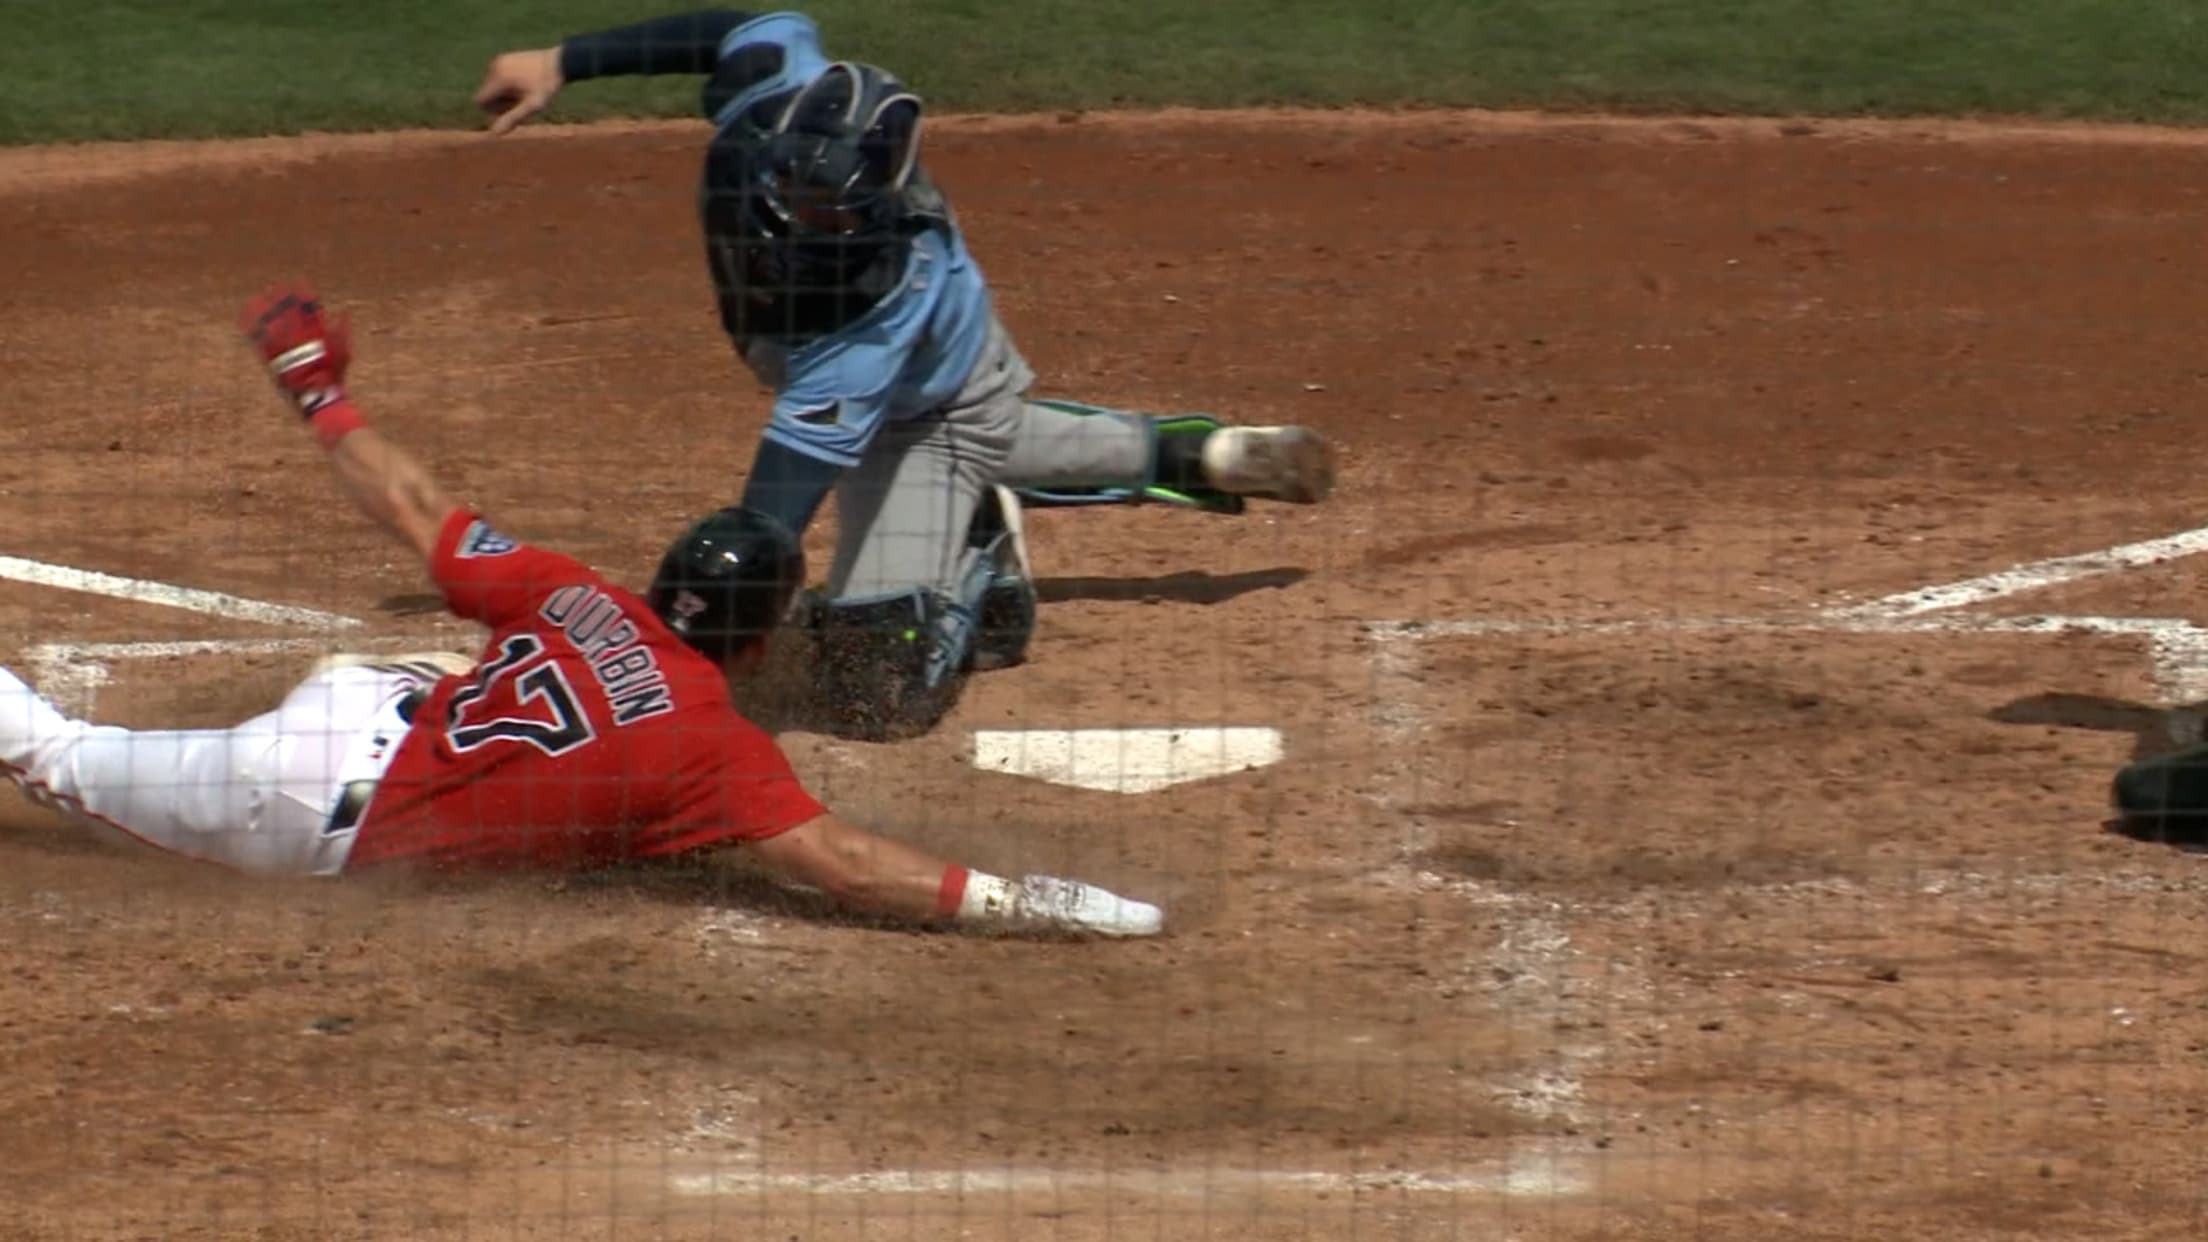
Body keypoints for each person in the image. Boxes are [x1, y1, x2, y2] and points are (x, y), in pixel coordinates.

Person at [0, 283, 1163, 938]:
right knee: (53, 755)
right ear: (761, 636)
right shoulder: (714, 750)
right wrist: (1033, 903)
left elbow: (414, 508)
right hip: (300, 812)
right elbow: (846, 865)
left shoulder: (575, 596)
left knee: (436, 677)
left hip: (357, 715)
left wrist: (319, 393)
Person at [472, 10, 1339, 740]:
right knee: (985, 438)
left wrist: (680, 657)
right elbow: (748, 25)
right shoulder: (771, 97)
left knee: (871, 688)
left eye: (830, 215)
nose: (804, 222)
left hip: (930, 415)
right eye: (796, 199)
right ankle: (1192, 457)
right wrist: (561, 60)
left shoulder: (878, 307)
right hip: (944, 390)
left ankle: (976, 547)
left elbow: (772, 522)